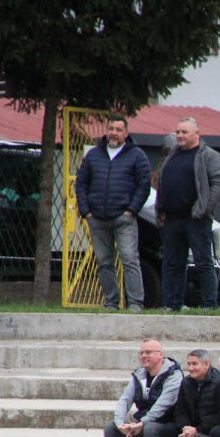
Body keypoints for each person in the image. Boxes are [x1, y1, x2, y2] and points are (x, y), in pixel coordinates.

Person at [74, 113, 152, 312]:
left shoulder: (137, 155)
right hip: (97, 218)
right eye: (111, 129)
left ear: (126, 133)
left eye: (118, 129)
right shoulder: (93, 155)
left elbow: (143, 186)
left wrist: (131, 210)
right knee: (103, 261)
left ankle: (135, 303)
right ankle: (111, 302)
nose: (114, 133)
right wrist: (86, 212)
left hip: (123, 218)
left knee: (130, 260)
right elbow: (81, 183)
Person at [156, 117, 220, 310]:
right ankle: (172, 304)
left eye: (184, 132)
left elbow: (219, 185)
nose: (179, 135)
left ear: (197, 133)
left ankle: (209, 304)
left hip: (196, 219)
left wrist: (203, 208)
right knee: (172, 263)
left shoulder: (209, 156)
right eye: (177, 132)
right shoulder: (172, 154)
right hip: (172, 219)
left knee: (203, 262)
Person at [104, 338, 183, 437]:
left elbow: (162, 405)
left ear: (161, 354)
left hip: (167, 426)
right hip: (143, 424)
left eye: (148, 352)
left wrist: (142, 423)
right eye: (141, 353)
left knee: (150, 428)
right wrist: (120, 423)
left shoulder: (174, 375)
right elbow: (125, 399)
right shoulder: (139, 375)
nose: (144, 356)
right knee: (111, 429)